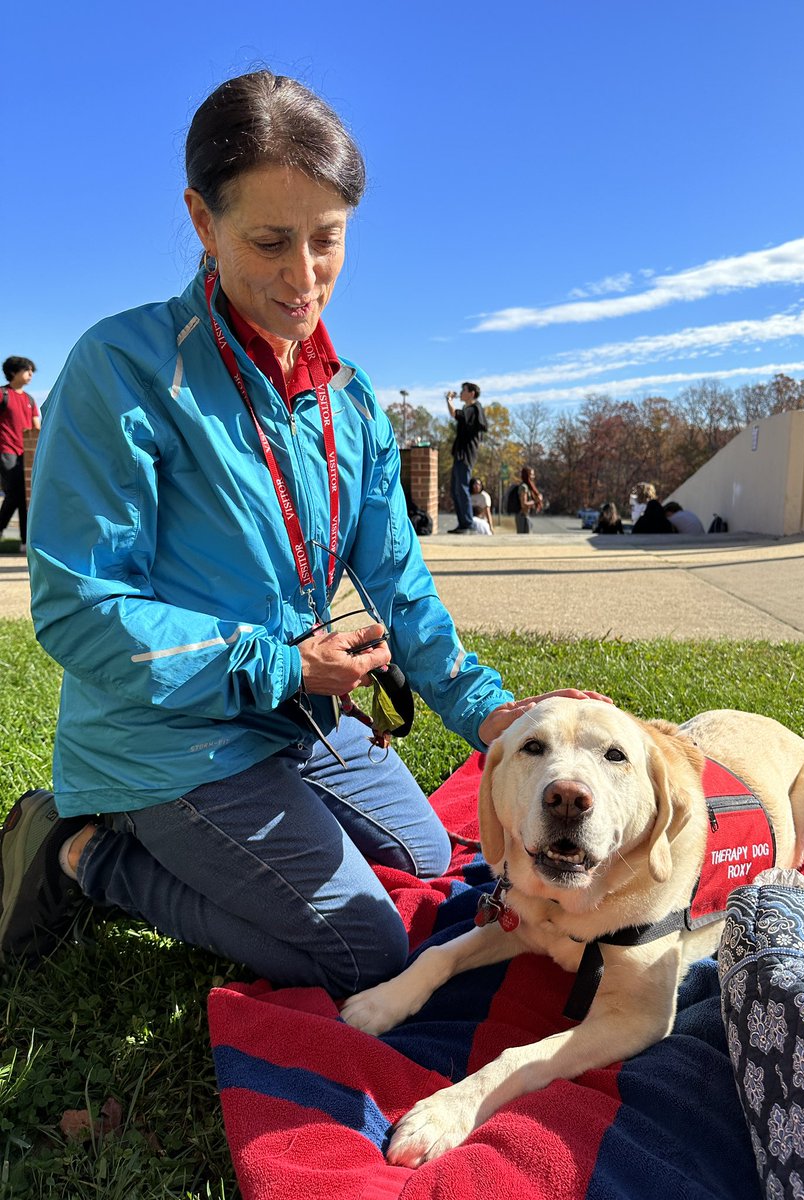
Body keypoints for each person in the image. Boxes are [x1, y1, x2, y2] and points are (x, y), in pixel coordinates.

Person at [0, 71, 602, 994]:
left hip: (294, 720)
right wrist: (285, 665)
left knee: (422, 845)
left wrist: (493, 714)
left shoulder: (348, 398)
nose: (303, 279)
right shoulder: (122, 369)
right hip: (167, 740)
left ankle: (221, 825)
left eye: (327, 240)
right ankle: (84, 851)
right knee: (367, 953)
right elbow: (80, 611)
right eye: (270, 242)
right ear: (202, 221)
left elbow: (399, 585)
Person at [0, 356, 41, 551]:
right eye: (27, 370)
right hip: (6, 450)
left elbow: (36, 427)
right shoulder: (2, 394)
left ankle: (25, 542)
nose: (31, 374)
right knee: (15, 492)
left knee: (26, 496)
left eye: (32, 371)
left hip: (27, 455)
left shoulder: (30, 399)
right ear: (13, 372)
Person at [446, 383, 487, 533]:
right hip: (460, 454)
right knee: (456, 488)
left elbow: (454, 414)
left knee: (462, 488)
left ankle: (468, 523)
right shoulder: (470, 409)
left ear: (472, 393)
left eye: (464, 390)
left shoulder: (474, 409)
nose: (461, 392)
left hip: (465, 455)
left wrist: (449, 399)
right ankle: (463, 523)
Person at [514, 465, 543, 534]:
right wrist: (536, 501)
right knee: (523, 540)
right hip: (522, 516)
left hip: (526, 515)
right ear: (527, 476)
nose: (533, 477)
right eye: (532, 475)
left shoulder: (528, 487)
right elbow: (523, 504)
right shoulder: (524, 487)